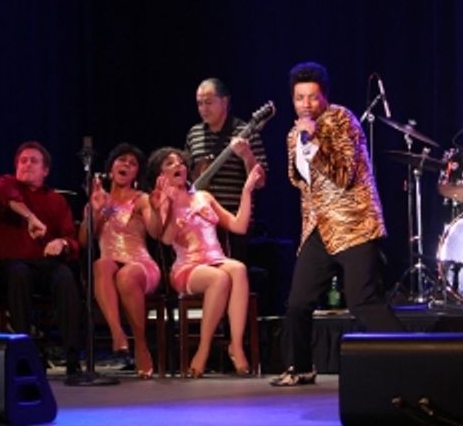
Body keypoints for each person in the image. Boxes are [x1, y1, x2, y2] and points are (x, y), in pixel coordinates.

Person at [271, 61, 403, 388]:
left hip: (354, 223)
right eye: (299, 97)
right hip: (318, 227)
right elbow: (302, 184)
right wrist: (302, 141)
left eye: (312, 97)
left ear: (324, 97)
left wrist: (313, 143)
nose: (305, 104)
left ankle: (414, 356)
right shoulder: (292, 135)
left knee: (363, 300)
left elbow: (343, 175)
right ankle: (300, 367)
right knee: (298, 302)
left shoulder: (341, 119)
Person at [145, 146, 263, 377]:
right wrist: (167, 205)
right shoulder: (160, 200)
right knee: (218, 279)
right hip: (187, 267)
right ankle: (203, 349)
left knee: (238, 269)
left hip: (215, 259)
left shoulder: (203, 197)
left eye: (179, 162)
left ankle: (236, 346)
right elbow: (167, 239)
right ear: (160, 175)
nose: (178, 165)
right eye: (169, 163)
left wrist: (247, 190)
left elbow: (238, 225)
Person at [0, 141, 81, 378]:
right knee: (18, 273)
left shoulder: (56, 200)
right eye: (23, 160)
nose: (27, 164)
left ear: (46, 171)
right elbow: (2, 193)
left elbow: (72, 239)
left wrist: (60, 243)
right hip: (14, 264)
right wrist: (31, 218)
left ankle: (72, 357)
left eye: (33, 161)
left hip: (45, 265)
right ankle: (25, 354)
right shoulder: (7, 184)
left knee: (65, 277)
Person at [78, 143, 161, 379]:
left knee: (127, 275)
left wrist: (155, 210)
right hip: (110, 268)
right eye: (121, 160)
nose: (126, 164)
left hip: (140, 265)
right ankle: (117, 332)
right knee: (101, 264)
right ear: (111, 167)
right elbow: (84, 241)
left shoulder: (141, 199)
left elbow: (155, 233)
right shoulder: (96, 200)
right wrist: (95, 211)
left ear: (136, 173)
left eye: (132, 163)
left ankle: (140, 344)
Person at [183, 78, 268, 262]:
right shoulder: (194, 134)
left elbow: (260, 182)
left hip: (233, 218)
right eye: (199, 103)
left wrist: (247, 155)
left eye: (208, 102)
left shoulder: (246, 132)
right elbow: (186, 178)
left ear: (225, 101)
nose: (203, 108)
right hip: (200, 218)